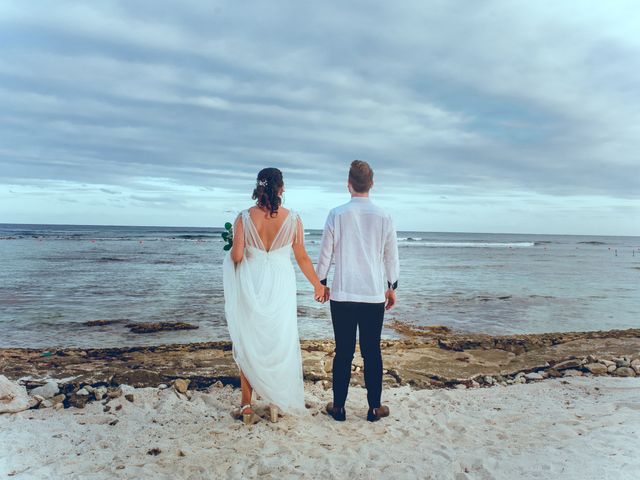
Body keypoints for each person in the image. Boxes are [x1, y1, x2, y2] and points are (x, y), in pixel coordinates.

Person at [222, 167, 328, 425]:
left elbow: (236, 257)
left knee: (250, 341)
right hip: (281, 282)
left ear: (258, 188)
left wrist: (234, 250)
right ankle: (274, 403)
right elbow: (301, 256)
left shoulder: (244, 218)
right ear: (281, 189)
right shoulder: (294, 220)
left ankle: (246, 406)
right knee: (278, 340)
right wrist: (318, 284)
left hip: (253, 282)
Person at [316, 160, 399, 422]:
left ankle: (338, 407)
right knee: (372, 351)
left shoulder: (336, 214)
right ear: (372, 184)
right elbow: (391, 256)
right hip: (373, 293)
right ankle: (374, 407)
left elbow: (325, 254)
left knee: (343, 351)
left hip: (342, 293)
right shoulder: (384, 216)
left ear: (348, 183)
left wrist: (321, 283)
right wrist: (391, 286)